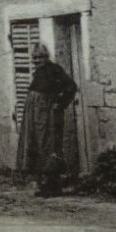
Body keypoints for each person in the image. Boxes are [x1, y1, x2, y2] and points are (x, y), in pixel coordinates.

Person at [16, 42, 79, 197]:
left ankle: (53, 186)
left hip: (48, 117)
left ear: (46, 57)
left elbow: (71, 87)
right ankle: (43, 185)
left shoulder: (54, 70)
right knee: (37, 146)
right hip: (35, 116)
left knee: (50, 147)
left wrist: (59, 104)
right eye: (34, 58)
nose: (37, 61)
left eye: (40, 57)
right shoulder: (39, 73)